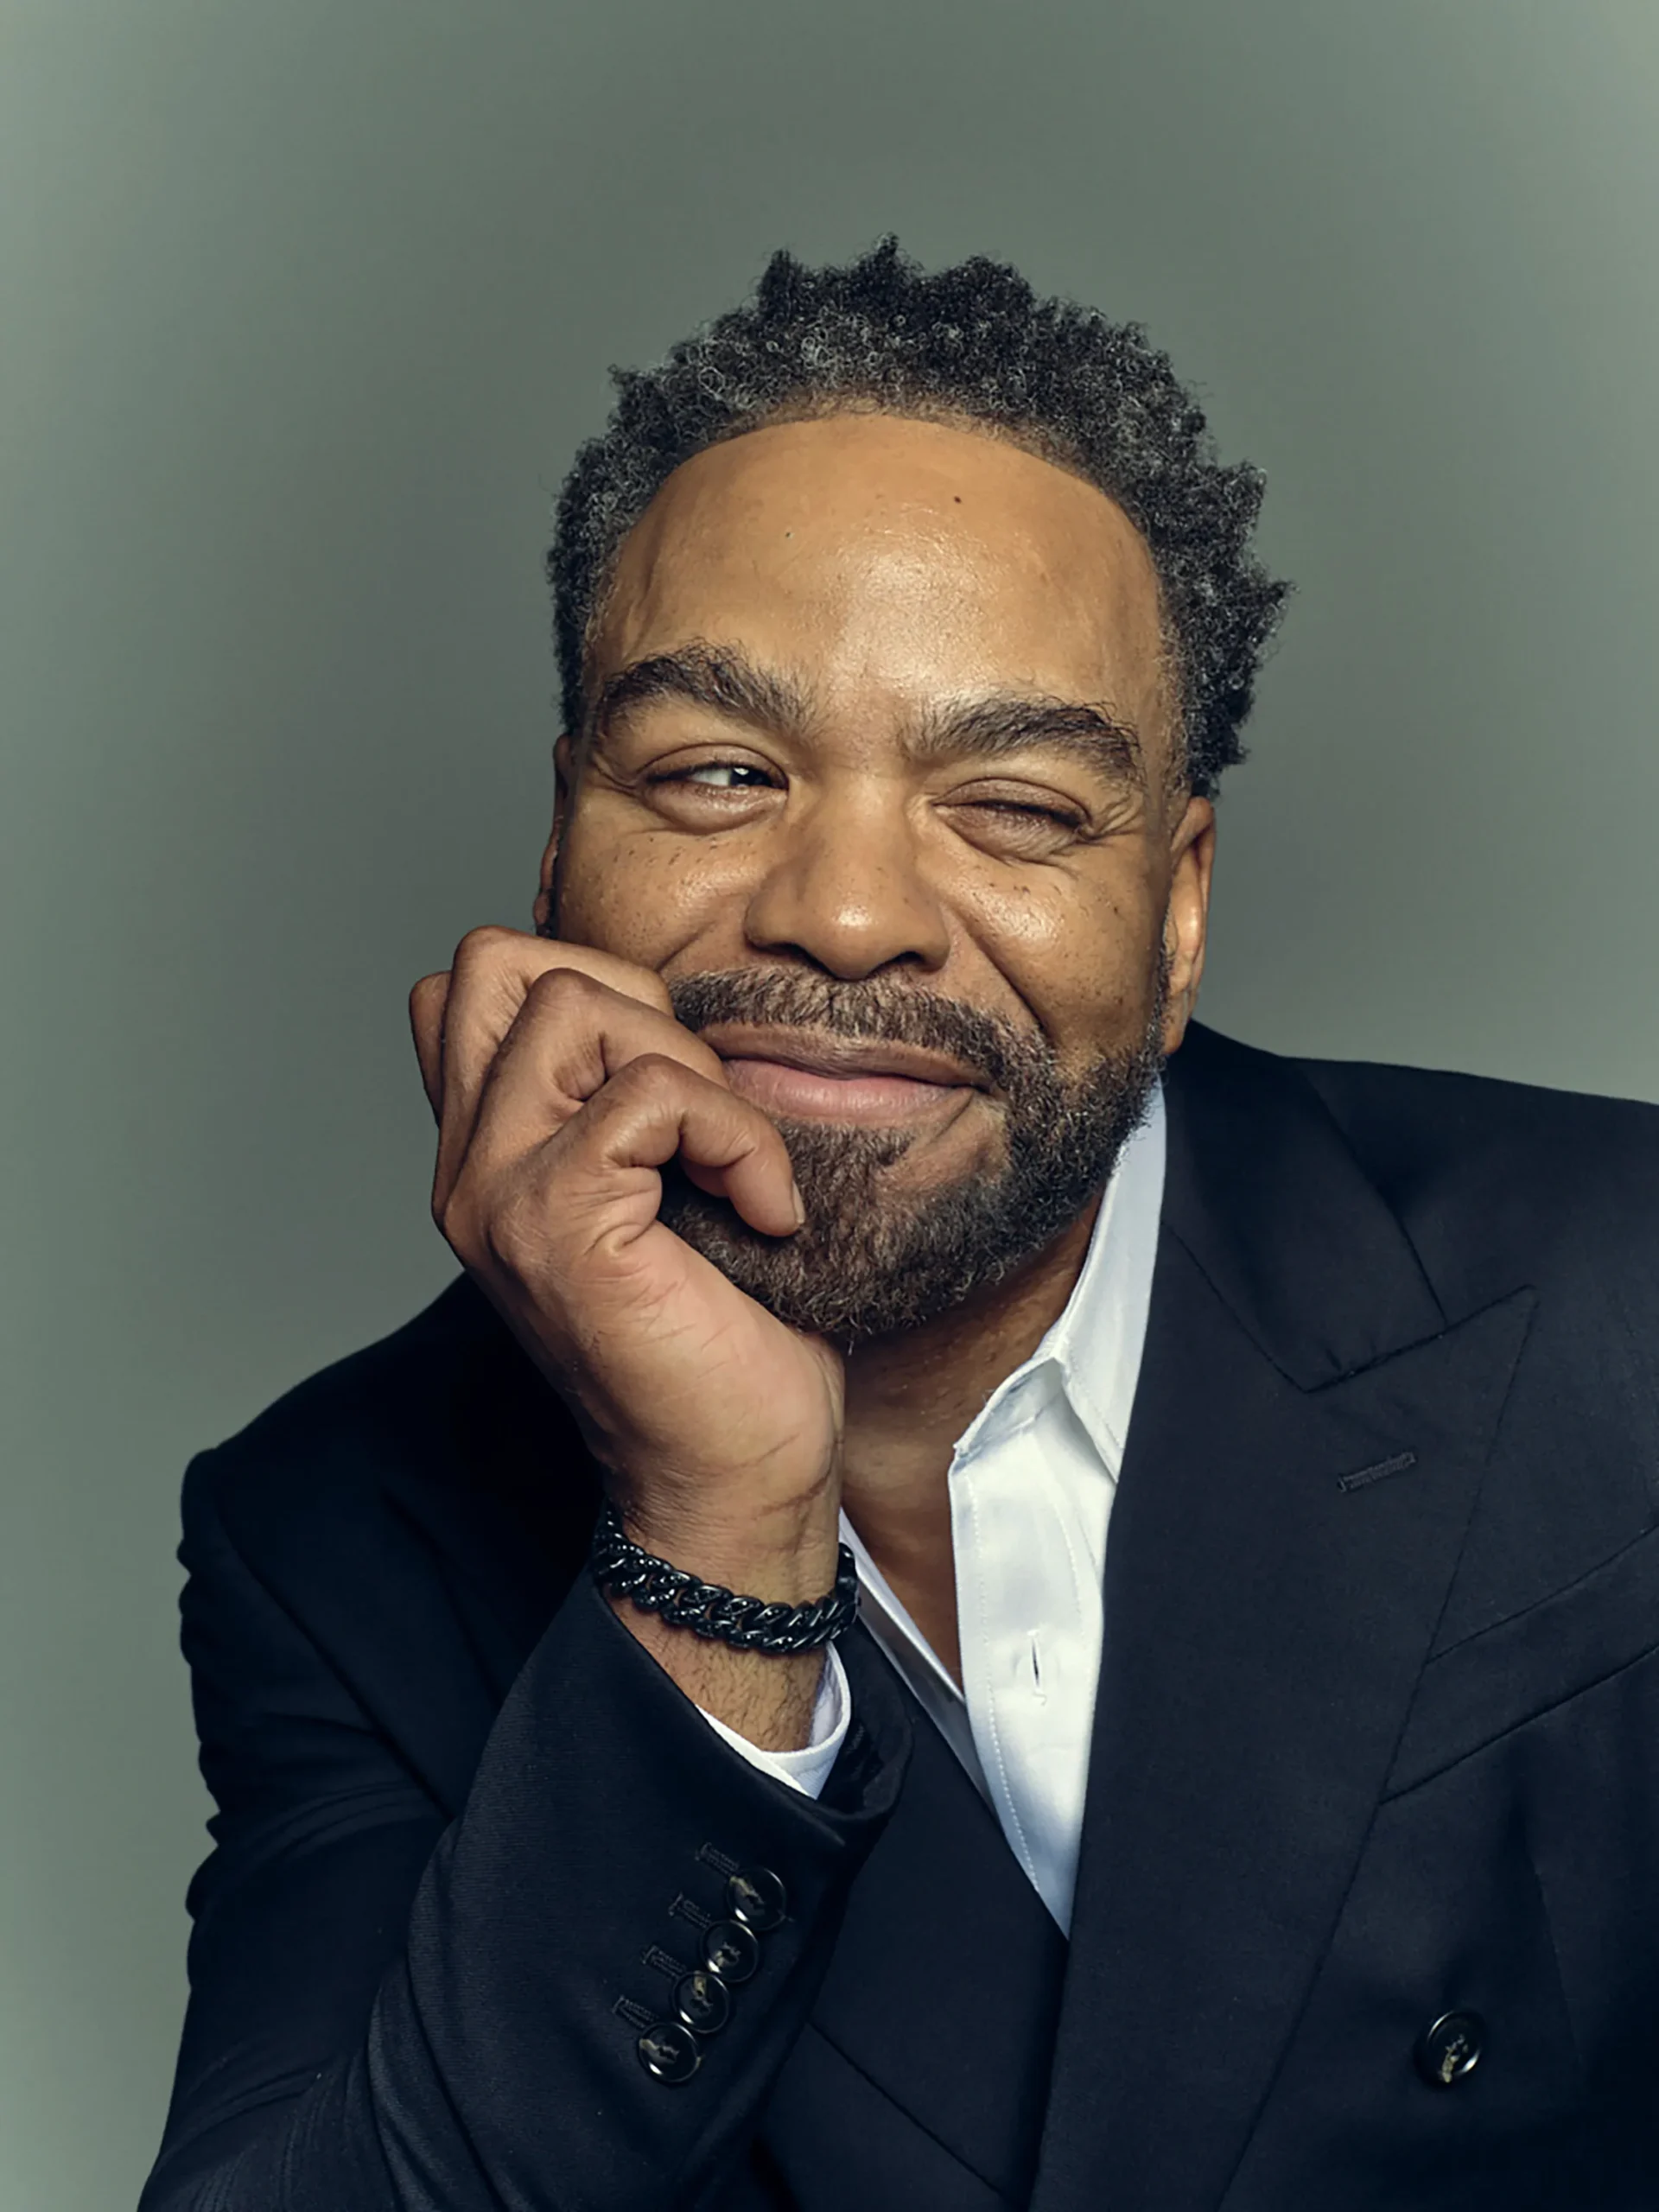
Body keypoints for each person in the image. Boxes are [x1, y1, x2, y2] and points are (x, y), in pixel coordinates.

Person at [140, 240, 1659, 2212]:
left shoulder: (1620, 1292)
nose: (846, 916)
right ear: (562, 842)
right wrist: (716, 1543)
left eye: (1014, 802)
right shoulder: (342, 1536)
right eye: (720, 772)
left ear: (1179, 910)